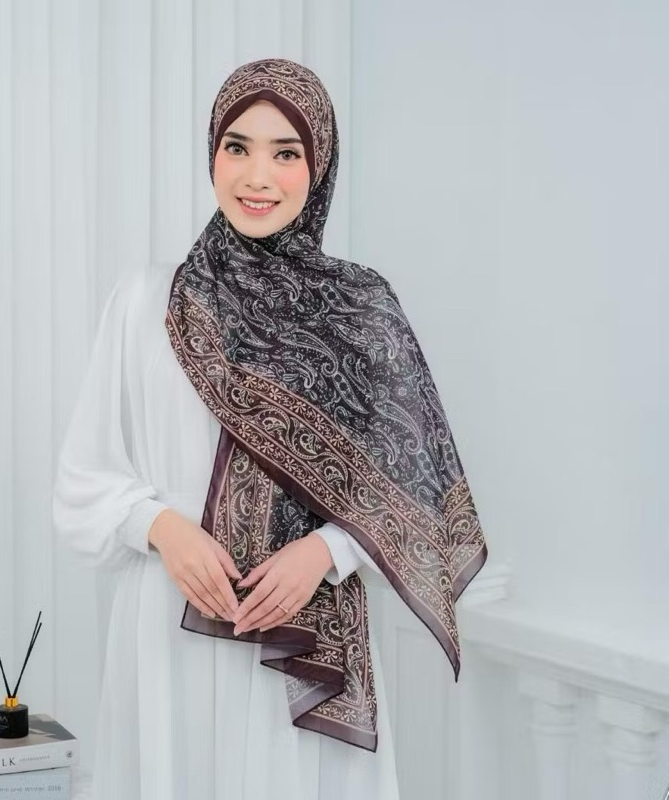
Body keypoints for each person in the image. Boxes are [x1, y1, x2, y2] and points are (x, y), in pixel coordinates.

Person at [53, 58, 487, 800]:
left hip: (304, 637)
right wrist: (163, 528)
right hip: (168, 623)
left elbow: (417, 491)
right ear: (212, 155)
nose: (258, 176)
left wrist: (326, 552)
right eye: (238, 147)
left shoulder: (362, 310)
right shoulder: (146, 300)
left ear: (319, 166)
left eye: (286, 153)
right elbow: (81, 478)